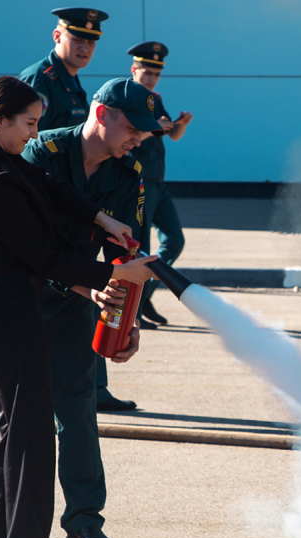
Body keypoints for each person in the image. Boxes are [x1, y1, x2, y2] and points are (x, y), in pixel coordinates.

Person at [0, 75, 156, 538]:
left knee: (15, 429)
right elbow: (42, 256)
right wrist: (111, 277)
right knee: (31, 434)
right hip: (13, 304)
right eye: (29, 124)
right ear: (0, 121)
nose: (35, 133)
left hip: (10, 303)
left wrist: (103, 222)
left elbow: (51, 189)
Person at [127, 41, 193, 328]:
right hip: (138, 182)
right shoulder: (126, 96)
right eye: (146, 72)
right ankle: (134, 310)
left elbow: (171, 135)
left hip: (158, 182)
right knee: (141, 248)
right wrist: (155, 128)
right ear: (134, 69)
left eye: (156, 73)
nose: (152, 78)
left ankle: (146, 295)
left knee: (175, 241)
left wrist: (180, 125)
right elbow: (123, 138)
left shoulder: (154, 98)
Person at [19, 7, 107, 132]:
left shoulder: (71, 80)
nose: (85, 48)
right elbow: (26, 139)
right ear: (57, 36)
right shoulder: (39, 79)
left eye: (91, 42)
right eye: (77, 40)